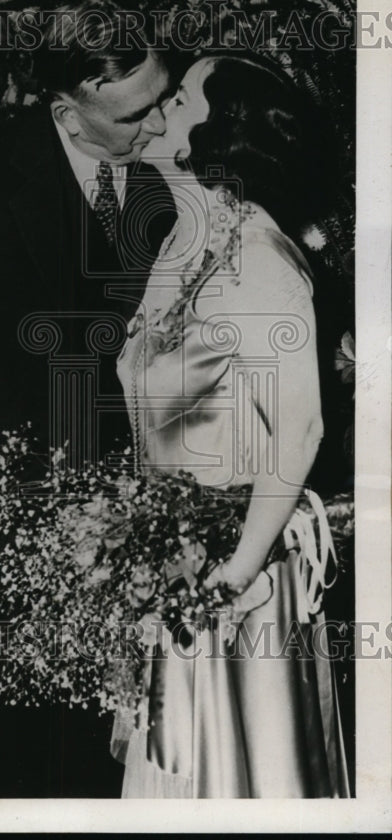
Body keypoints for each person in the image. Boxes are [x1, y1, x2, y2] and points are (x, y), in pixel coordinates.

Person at [0, 0, 175, 796]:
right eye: (134, 115)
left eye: (164, 99)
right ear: (68, 108)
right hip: (6, 527)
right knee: (23, 759)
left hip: (134, 520)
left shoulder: (159, 187)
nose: (157, 127)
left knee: (117, 753)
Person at [115, 53, 350, 797]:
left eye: (177, 98)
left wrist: (235, 572)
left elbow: (301, 431)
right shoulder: (183, 247)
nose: (154, 108)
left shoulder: (258, 254)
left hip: (233, 582)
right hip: (176, 571)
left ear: (220, 131)